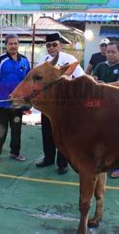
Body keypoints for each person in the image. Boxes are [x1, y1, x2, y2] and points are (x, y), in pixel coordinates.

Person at [35, 33, 85, 174]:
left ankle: (62, 164)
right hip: (47, 103)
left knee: (62, 135)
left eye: (54, 44)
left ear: (60, 45)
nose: (51, 48)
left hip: (63, 105)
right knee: (47, 133)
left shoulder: (69, 59)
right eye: (48, 45)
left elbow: (80, 78)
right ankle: (48, 158)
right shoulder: (42, 60)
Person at [0, 34, 31, 163]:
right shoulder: (0, 61)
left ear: (18, 44)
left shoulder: (24, 61)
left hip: (17, 104)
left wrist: (27, 102)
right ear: (6, 45)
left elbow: (28, 82)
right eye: (10, 44)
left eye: (15, 43)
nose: (13, 46)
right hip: (1, 103)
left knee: (16, 130)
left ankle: (15, 153)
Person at [92, 41, 119, 179]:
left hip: (118, 107)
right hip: (100, 107)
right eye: (108, 51)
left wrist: (104, 85)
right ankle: (103, 162)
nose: (109, 54)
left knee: (117, 137)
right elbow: (94, 78)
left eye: (113, 52)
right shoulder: (100, 66)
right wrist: (94, 80)